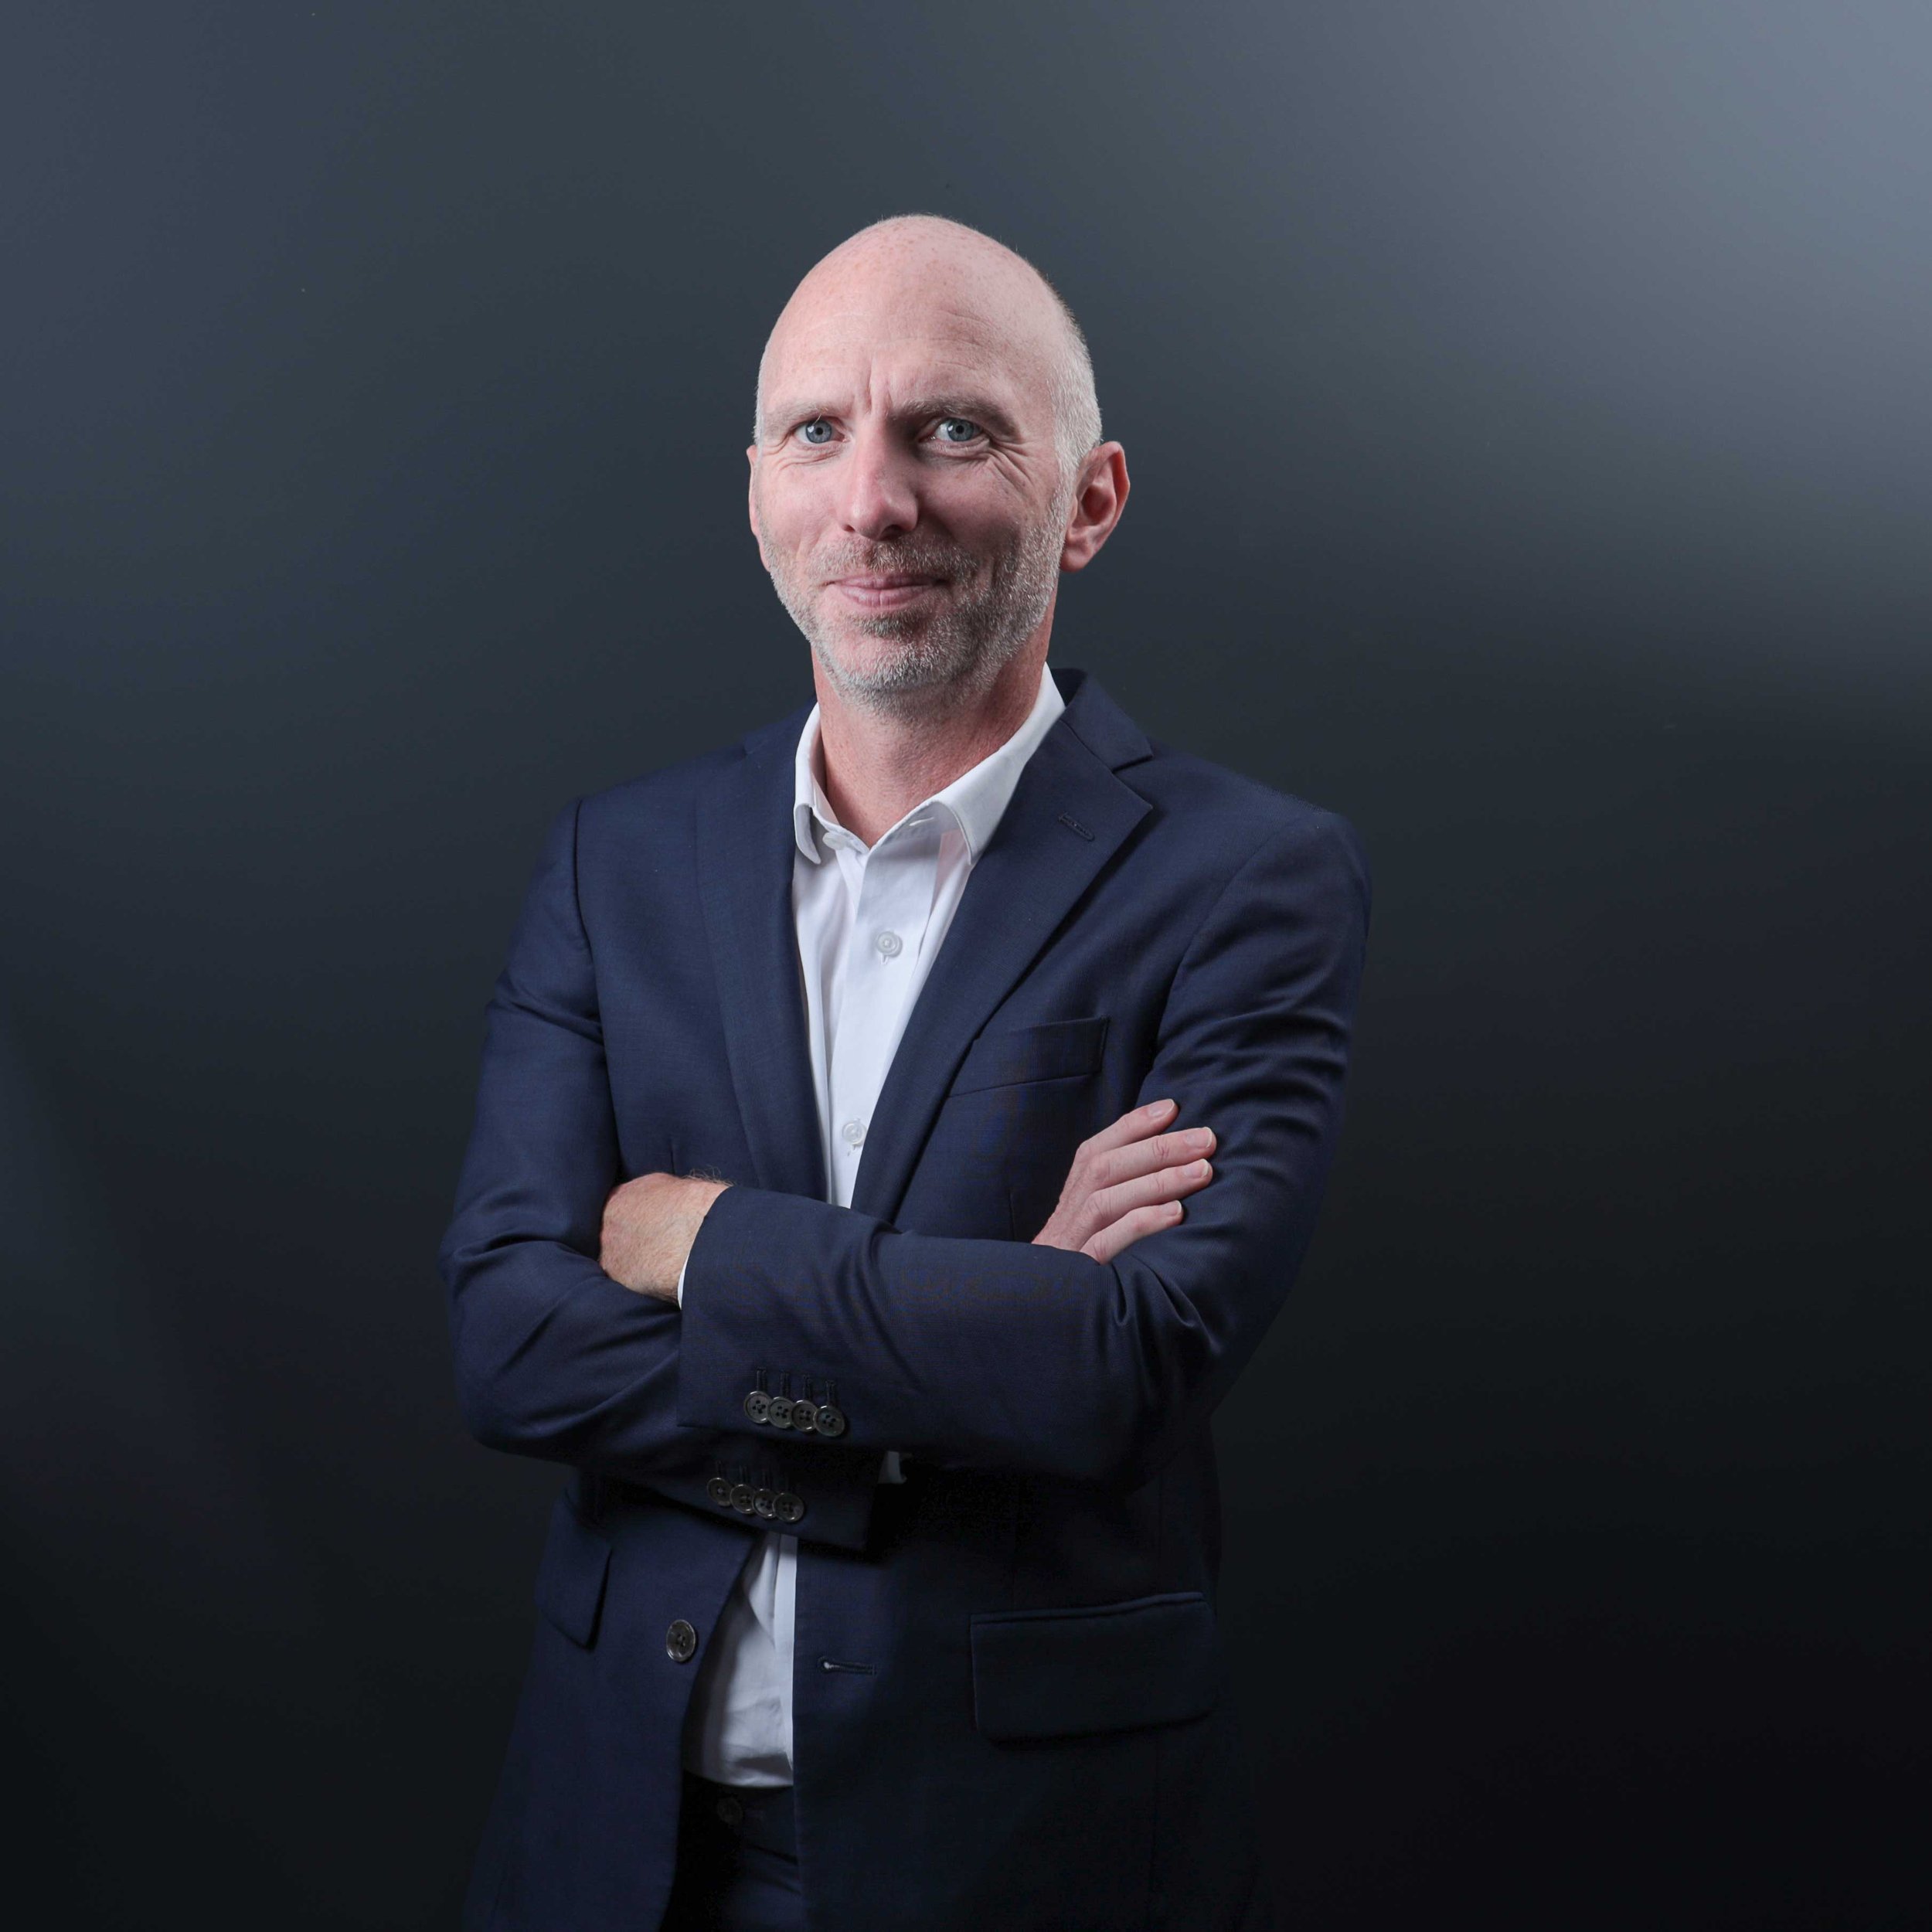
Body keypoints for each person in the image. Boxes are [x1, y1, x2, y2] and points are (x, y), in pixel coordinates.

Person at [439, 213, 1370, 1932]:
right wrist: (974, 1331)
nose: (872, 498)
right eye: (816, 431)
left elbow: (1120, 1367)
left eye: (949, 428)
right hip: (610, 1838)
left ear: (1086, 499)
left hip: (1028, 1860)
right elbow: (507, 1338)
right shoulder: (610, 862)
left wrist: (703, 1243)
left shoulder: (1248, 878)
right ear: (756, 493)